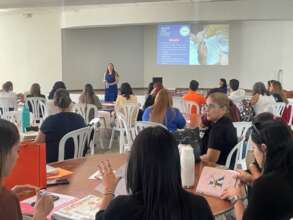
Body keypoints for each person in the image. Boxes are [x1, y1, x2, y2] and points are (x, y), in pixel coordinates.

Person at [95, 126, 214, 220]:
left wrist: (109, 190)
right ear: (175, 162)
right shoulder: (198, 207)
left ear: (134, 165)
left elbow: (101, 217)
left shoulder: (120, 209)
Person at [221, 119, 293, 220]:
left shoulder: (265, 184)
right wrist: (252, 180)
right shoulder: (285, 173)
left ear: (264, 148)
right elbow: (273, 194)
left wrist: (236, 198)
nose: (253, 152)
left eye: (254, 148)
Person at [0, 119, 54, 220]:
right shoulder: (6, 200)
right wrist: (40, 215)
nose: (17, 156)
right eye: (17, 150)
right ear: (4, 154)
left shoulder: (7, 198)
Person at [35, 89, 86, 163]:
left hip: (54, 164)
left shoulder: (49, 121)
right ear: (69, 102)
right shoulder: (80, 119)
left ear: (55, 103)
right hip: (77, 162)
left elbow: (37, 144)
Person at [200, 92, 238, 165]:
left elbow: (210, 159)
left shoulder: (219, 128)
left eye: (212, 106)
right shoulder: (225, 121)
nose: (207, 110)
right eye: (206, 106)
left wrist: (195, 158)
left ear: (223, 109)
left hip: (218, 169)